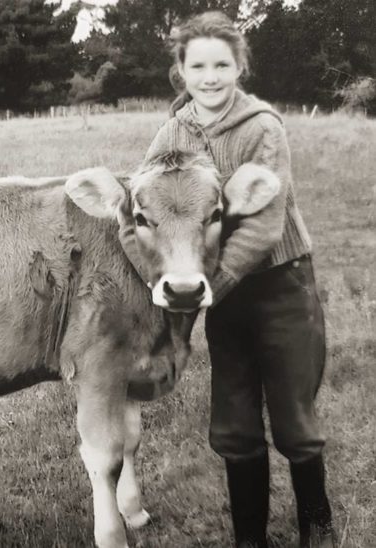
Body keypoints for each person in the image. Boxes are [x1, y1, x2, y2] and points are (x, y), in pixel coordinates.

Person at [142, 11, 336, 548]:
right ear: (180, 70)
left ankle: (317, 528)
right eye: (197, 65)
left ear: (239, 66)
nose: (210, 77)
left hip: (280, 284)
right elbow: (152, 200)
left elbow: (266, 225)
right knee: (234, 416)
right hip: (220, 292)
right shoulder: (172, 131)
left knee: (294, 415)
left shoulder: (263, 127)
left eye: (221, 64)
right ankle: (250, 537)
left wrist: (209, 288)